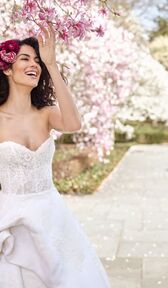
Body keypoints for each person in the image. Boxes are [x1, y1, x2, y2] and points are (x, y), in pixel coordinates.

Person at [0, 23, 111, 288]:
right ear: (6, 67)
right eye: (25, 58)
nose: (33, 65)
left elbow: (74, 124)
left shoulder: (46, 113)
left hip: (52, 216)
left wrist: (52, 64)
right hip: (12, 218)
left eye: (37, 61)